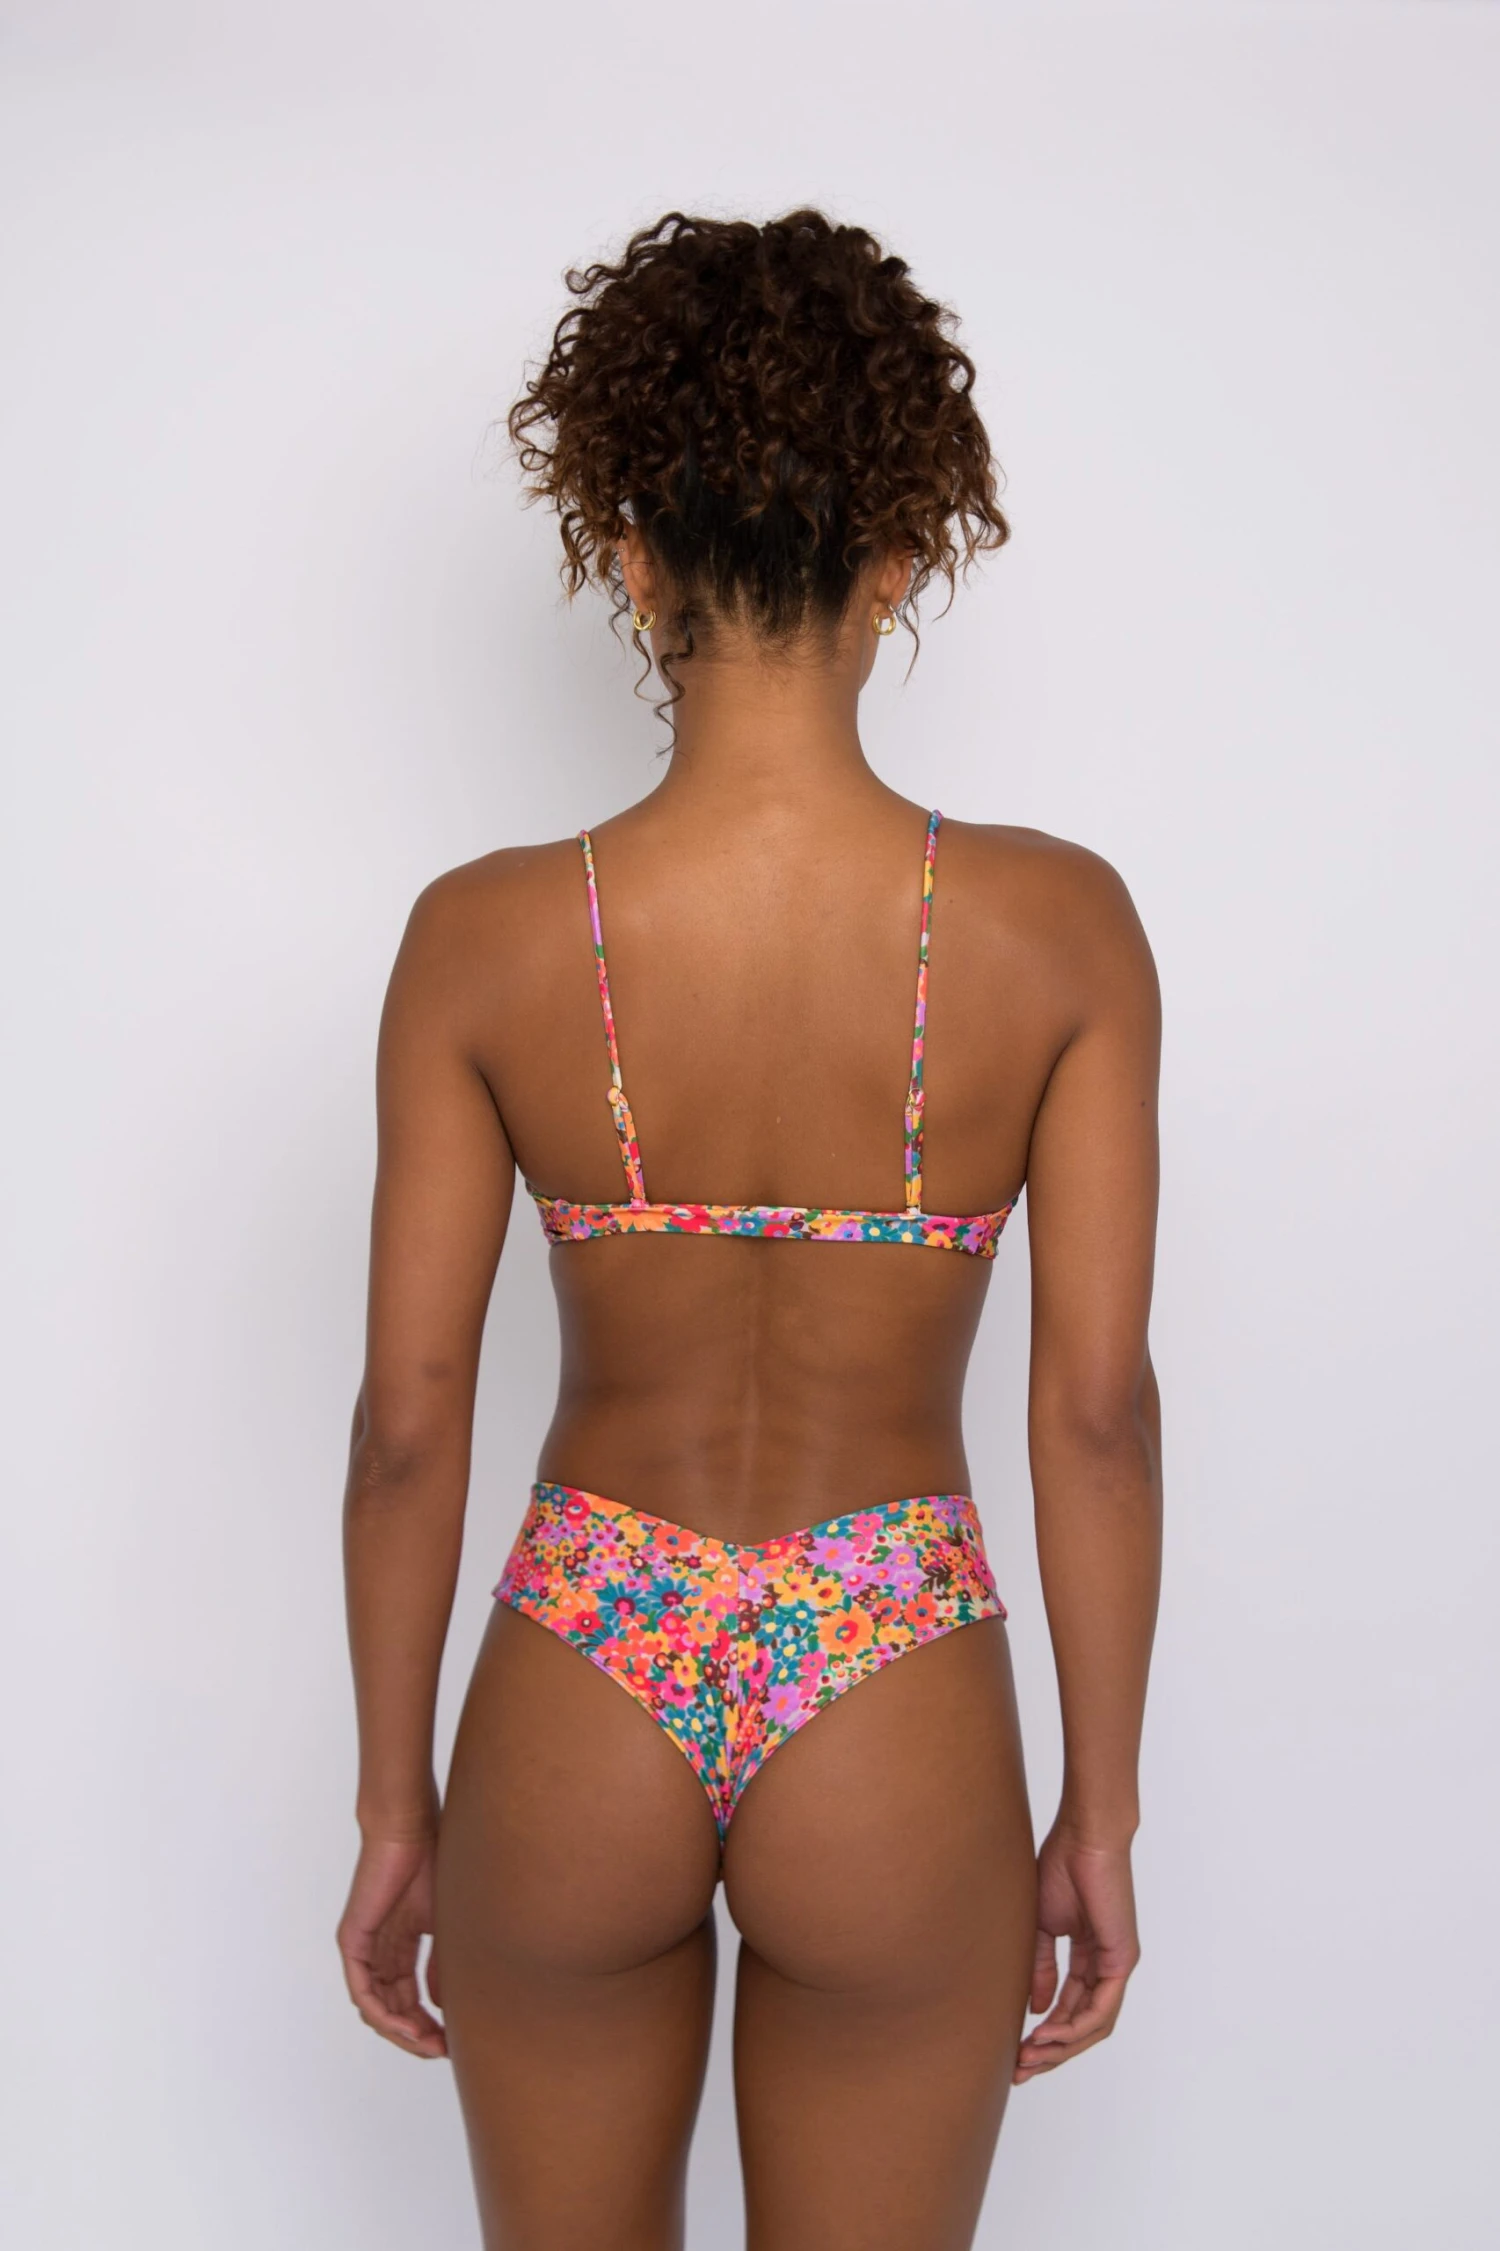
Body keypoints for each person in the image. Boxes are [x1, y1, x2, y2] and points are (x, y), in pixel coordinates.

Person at [337, 208, 1162, 2251]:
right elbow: (1096, 1414)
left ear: (628, 556)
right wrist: (1104, 1806)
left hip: (586, 1648)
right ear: (899, 558)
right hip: (893, 1654)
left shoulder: (482, 939)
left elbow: (410, 1427)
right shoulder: (1061, 930)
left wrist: (393, 1805)